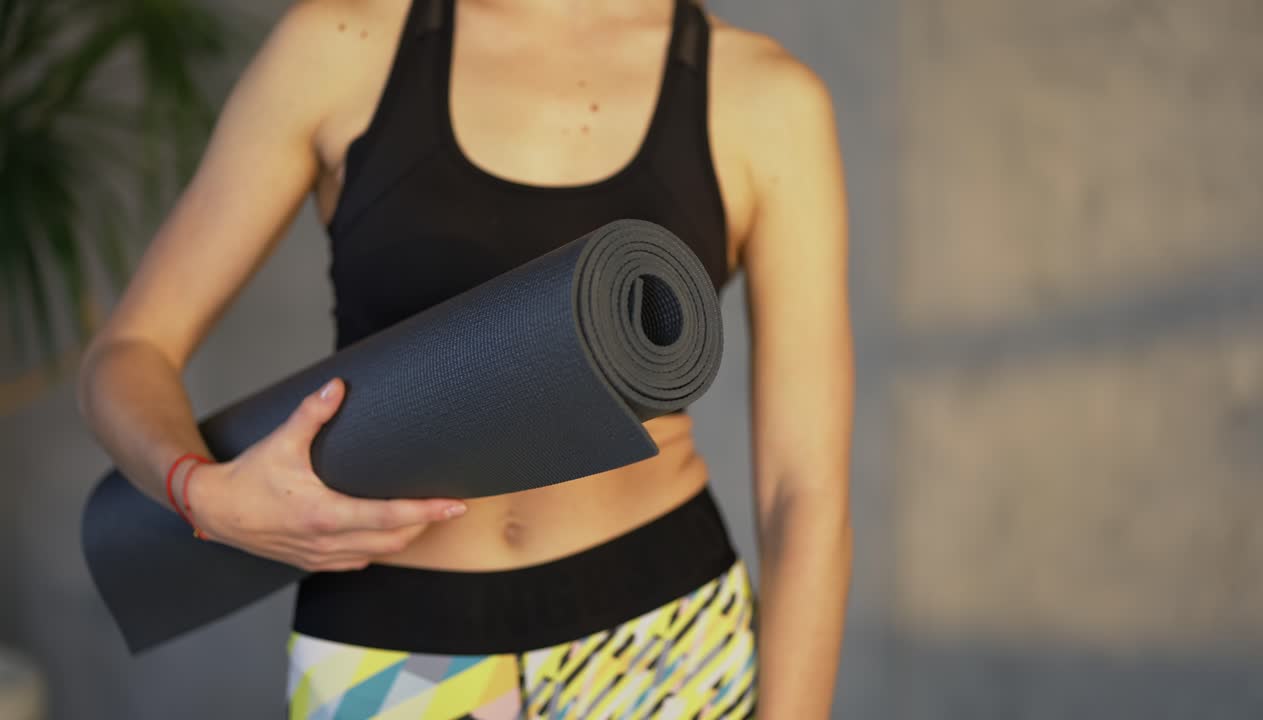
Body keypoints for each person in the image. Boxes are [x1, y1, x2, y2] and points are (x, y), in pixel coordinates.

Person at [76, 0, 853, 716]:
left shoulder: (765, 98)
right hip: (389, 650)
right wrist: (201, 493)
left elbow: (805, 489)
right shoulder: (342, 44)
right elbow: (131, 349)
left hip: (661, 644)